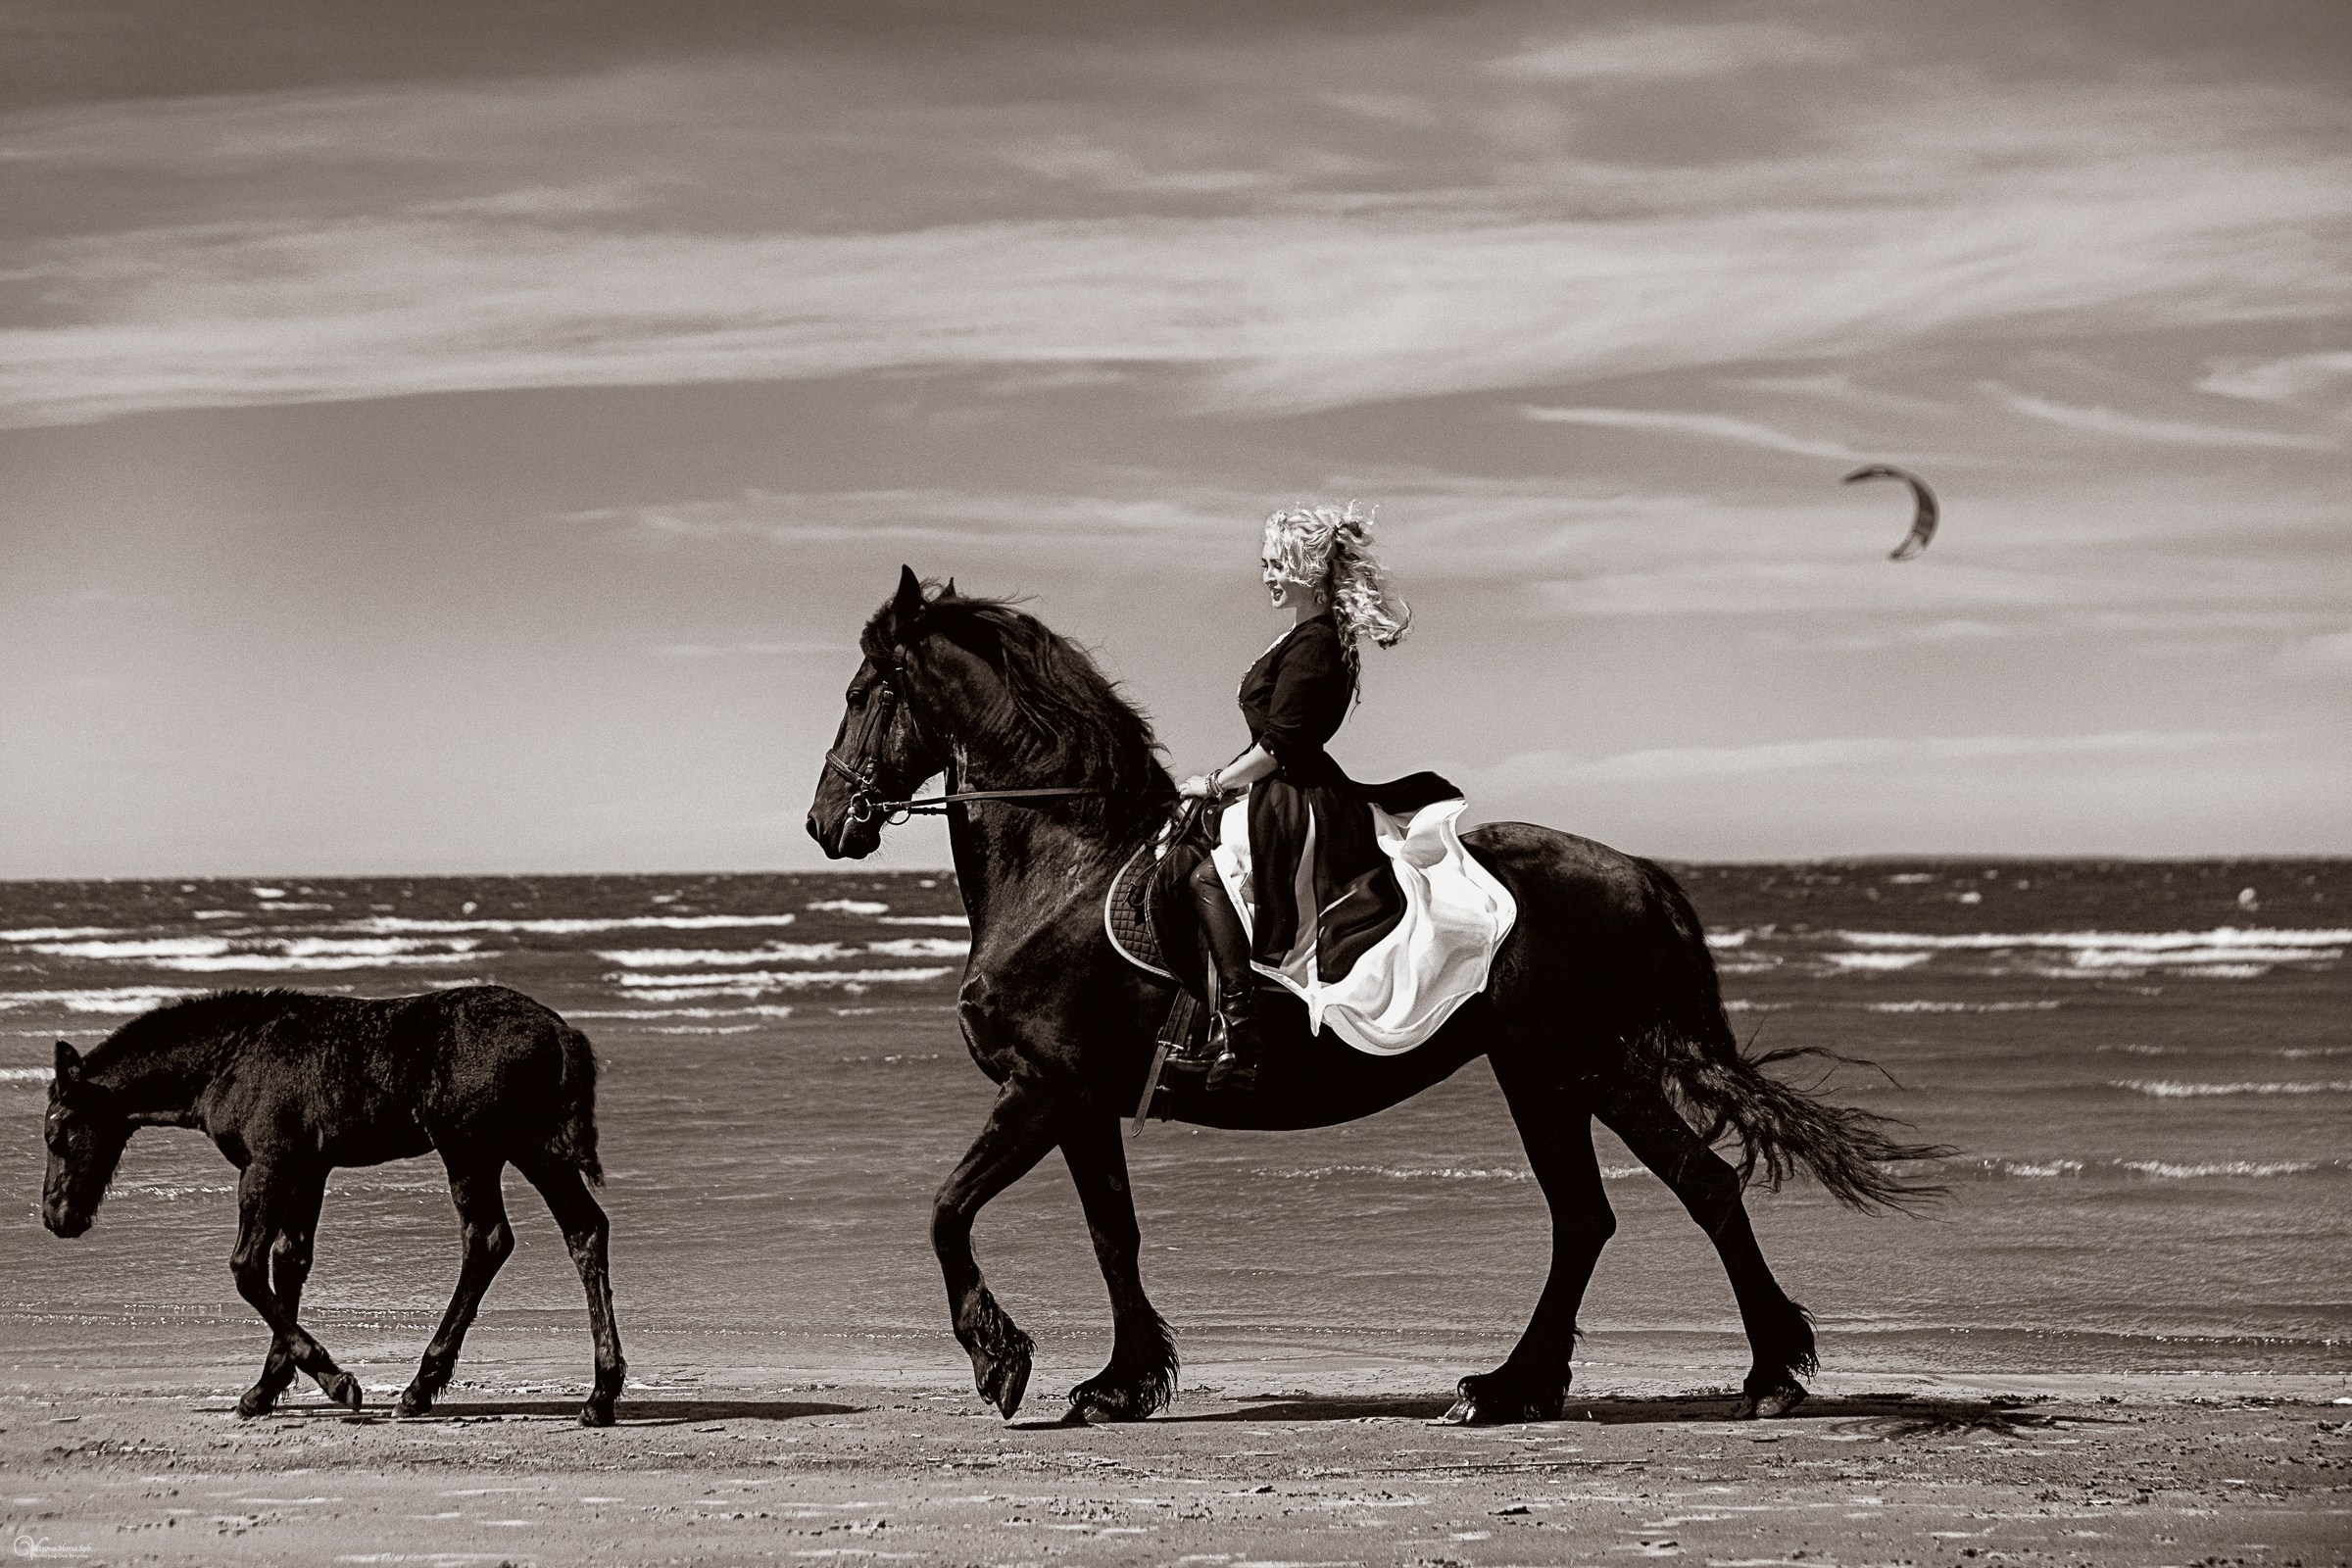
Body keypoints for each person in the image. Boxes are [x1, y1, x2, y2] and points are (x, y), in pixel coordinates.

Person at [1175, 502, 1505, 1091]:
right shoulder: (1303, 636)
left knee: (1206, 878)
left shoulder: (1316, 643)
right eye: (1266, 563)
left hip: (1298, 799)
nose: (1268, 576)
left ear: (1307, 569)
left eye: (1277, 564)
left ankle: (1241, 1035)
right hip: (1280, 787)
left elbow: (1279, 748)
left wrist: (1211, 782)